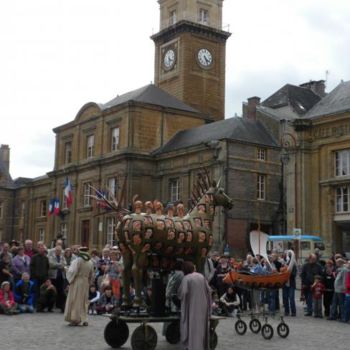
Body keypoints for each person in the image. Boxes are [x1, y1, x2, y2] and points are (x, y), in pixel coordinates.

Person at [178, 261, 211, 350]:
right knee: (201, 329)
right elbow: (209, 291)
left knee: (192, 328)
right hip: (203, 307)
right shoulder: (201, 276)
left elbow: (182, 293)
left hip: (192, 307)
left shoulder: (186, 278)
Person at [64, 247, 94, 326]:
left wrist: (66, 269)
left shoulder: (77, 261)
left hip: (77, 281)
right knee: (84, 301)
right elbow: (92, 274)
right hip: (85, 282)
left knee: (76, 300)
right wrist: (89, 282)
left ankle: (75, 319)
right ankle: (84, 319)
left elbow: (73, 271)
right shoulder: (90, 262)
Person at [48, 245, 66, 312]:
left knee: (61, 292)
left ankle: (61, 307)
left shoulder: (62, 256)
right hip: (53, 277)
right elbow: (51, 264)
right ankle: (50, 307)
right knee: (52, 291)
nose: (59, 252)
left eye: (60, 251)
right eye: (57, 250)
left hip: (61, 277)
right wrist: (60, 265)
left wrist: (58, 265)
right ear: (55, 250)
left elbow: (65, 264)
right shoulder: (51, 256)